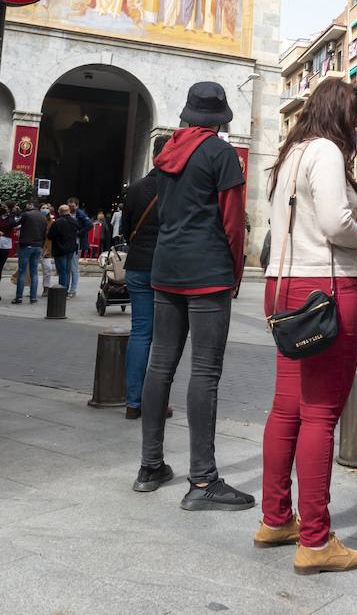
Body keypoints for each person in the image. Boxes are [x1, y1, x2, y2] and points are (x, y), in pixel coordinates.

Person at [256, 77, 357, 575]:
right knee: (321, 413)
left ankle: (276, 517)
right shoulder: (326, 152)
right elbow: (333, 224)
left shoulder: (290, 155)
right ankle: (316, 539)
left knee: (287, 408)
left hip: (283, 284)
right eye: (356, 119)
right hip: (322, 289)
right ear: (342, 114)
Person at [134, 81, 250, 512]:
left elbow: (165, 212)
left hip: (166, 268)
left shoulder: (166, 153)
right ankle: (202, 478)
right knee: (205, 371)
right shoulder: (222, 154)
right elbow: (233, 223)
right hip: (207, 271)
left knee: (160, 364)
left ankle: (150, 466)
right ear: (219, 119)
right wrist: (234, 272)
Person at [121, 137, 166, 420]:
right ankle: (156, 402)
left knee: (140, 333)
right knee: (164, 339)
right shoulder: (176, 188)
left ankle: (133, 402)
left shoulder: (136, 188)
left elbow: (126, 229)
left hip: (137, 266)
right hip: (165, 269)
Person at [11, 198, 49, 304]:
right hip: (38, 246)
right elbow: (44, 234)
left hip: (26, 245)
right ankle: (33, 297)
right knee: (34, 272)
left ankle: (19, 297)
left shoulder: (27, 215)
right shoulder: (43, 217)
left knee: (22, 271)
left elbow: (15, 224)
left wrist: (14, 213)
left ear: (31, 205)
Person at [49, 204, 79, 289]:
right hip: (70, 249)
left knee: (62, 271)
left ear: (59, 212)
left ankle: (62, 290)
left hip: (59, 249)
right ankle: (66, 289)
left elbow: (50, 236)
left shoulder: (57, 222)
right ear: (69, 211)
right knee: (67, 270)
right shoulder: (74, 221)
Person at [68, 197, 92, 297]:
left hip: (76, 243)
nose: (70, 207)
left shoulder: (80, 214)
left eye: (72, 205)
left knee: (73, 267)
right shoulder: (69, 214)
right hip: (69, 242)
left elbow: (89, 225)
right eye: (69, 205)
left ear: (76, 205)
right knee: (70, 266)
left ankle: (73, 290)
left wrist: (79, 233)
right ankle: (69, 288)